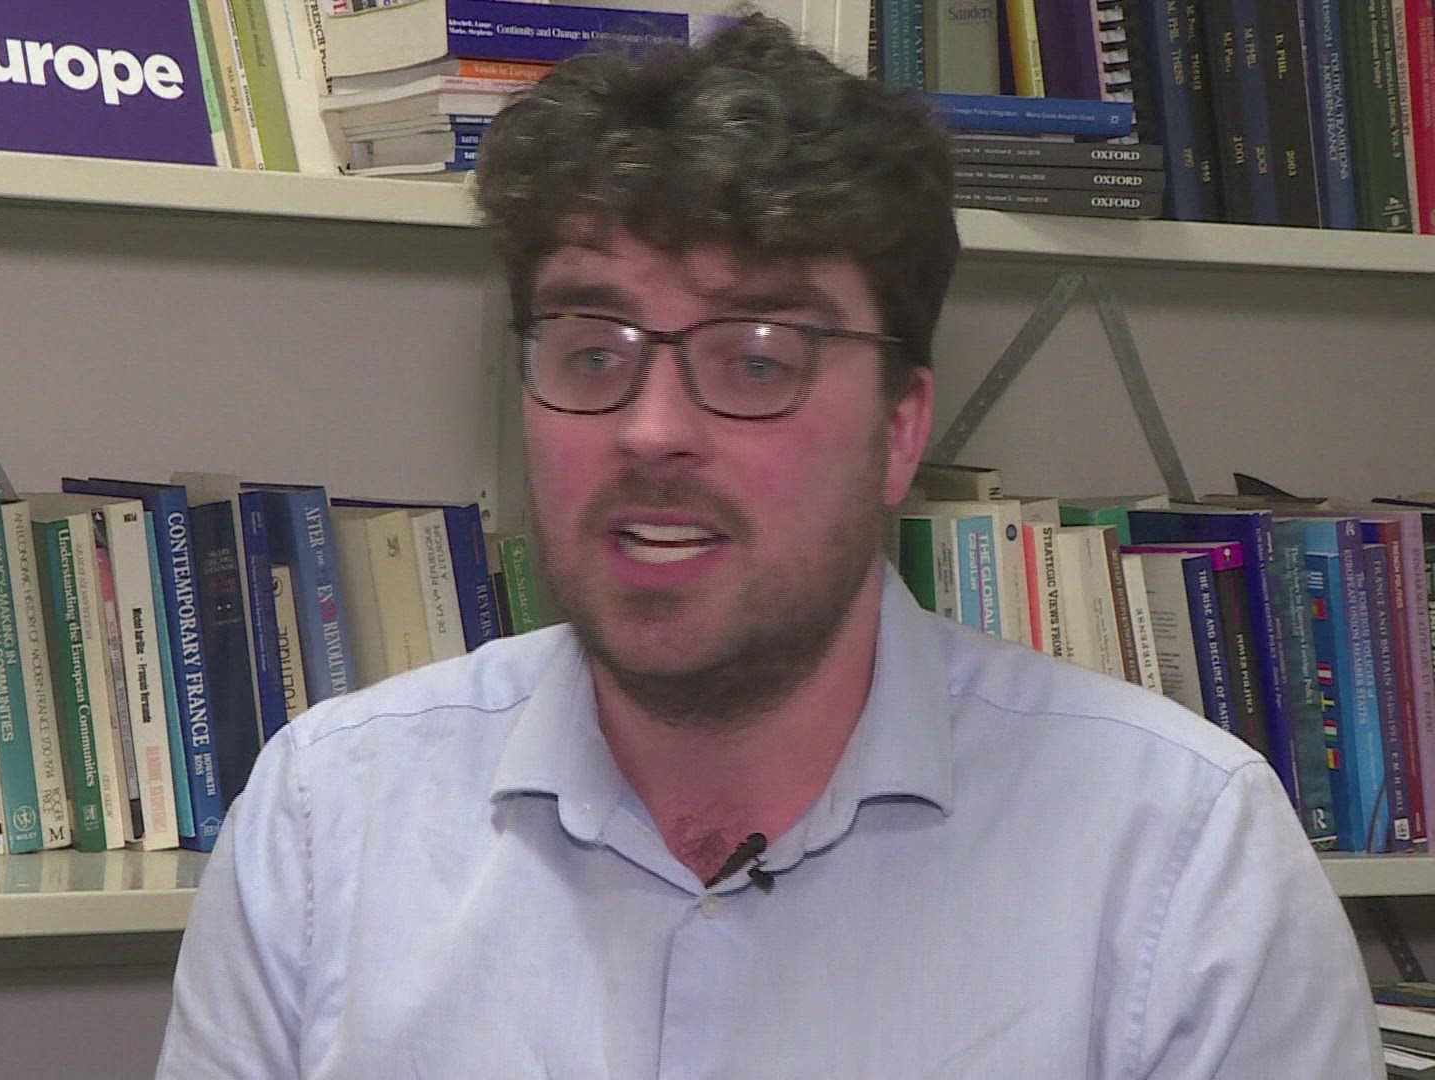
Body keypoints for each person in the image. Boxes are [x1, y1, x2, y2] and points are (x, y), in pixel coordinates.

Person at [156, 13, 1383, 1077]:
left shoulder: (1182, 860)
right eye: (592, 351)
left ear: (899, 431)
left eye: (755, 360)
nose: (650, 430)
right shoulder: (326, 824)